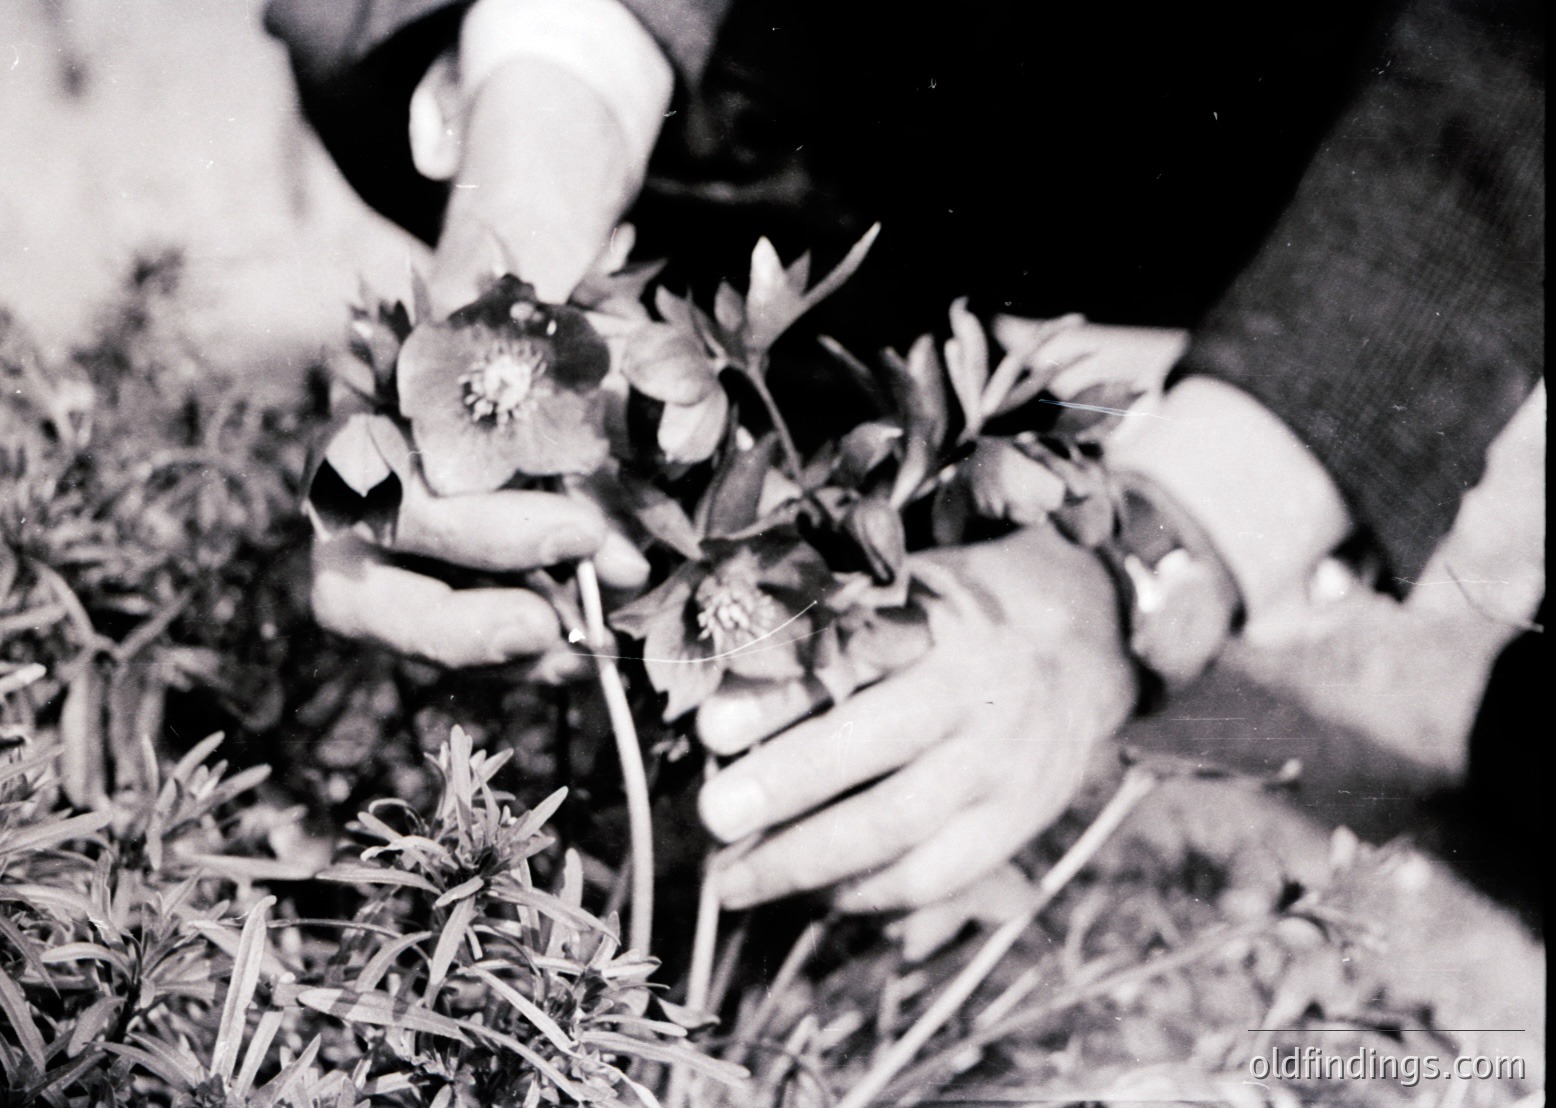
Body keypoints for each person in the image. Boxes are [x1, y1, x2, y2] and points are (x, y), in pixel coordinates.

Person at [268, 0, 1543, 912]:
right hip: (880, 51)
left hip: (1299, 82)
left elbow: (1510, 85)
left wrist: (1140, 564)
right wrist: (507, 257)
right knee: (361, 32)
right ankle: (818, 409)